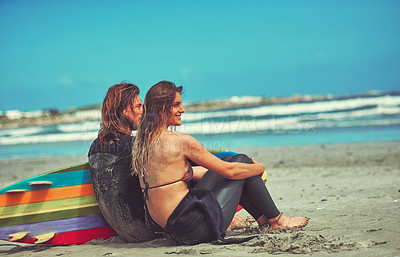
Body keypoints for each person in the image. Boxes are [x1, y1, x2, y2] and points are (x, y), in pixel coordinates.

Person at [132, 81, 308, 245]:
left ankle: (264, 220)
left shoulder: (141, 142)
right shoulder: (180, 141)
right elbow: (229, 172)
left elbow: (205, 171)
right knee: (241, 161)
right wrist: (259, 168)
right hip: (193, 229)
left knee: (235, 163)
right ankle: (277, 220)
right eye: (176, 105)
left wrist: (244, 168)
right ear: (162, 108)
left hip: (173, 231)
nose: (182, 109)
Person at [88, 82, 157, 242]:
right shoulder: (132, 145)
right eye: (139, 106)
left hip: (121, 231)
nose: (143, 111)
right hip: (145, 230)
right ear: (125, 110)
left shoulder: (95, 146)